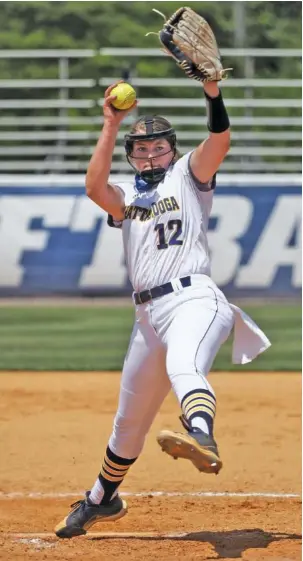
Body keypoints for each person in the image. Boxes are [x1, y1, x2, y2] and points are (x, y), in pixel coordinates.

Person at [55, 80, 271, 538]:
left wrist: (212, 91)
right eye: (142, 149)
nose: (151, 155)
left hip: (194, 297)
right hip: (147, 318)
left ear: (172, 150)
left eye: (158, 147)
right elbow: (94, 186)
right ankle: (101, 500)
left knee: (184, 365)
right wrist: (110, 125)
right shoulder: (128, 196)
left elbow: (220, 140)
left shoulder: (189, 176)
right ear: (131, 154)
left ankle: (201, 434)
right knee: (129, 422)